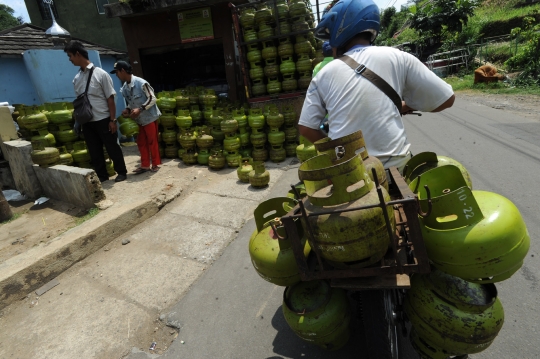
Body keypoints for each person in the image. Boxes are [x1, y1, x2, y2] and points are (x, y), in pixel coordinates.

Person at [298, 0, 455, 170]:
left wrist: (336, 152)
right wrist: (408, 105)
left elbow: (306, 128)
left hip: (351, 173)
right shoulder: (398, 57)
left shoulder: (323, 74)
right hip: (397, 168)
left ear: (339, 31)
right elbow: (446, 99)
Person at [64, 40, 128, 183]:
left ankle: (121, 172)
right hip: (87, 121)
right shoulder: (77, 78)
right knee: (94, 151)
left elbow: (110, 98)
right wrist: (77, 122)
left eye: (70, 56)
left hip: (103, 119)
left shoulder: (101, 74)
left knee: (112, 147)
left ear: (78, 54)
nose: (70, 60)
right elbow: (79, 102)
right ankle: (102, 176)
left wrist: (113, 120)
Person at [110, 61, 162, 173]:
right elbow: (131, 102)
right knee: (141, 142)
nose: (116, 75)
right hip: (139, 119)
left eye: (117, 72)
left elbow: (152, 98)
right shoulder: (124, 87)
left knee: (152, 141)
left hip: (150, 117)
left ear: (123, 71)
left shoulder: (141, 83)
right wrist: (127, 109)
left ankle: (155, 164)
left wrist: (141, 109)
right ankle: (145, 165)